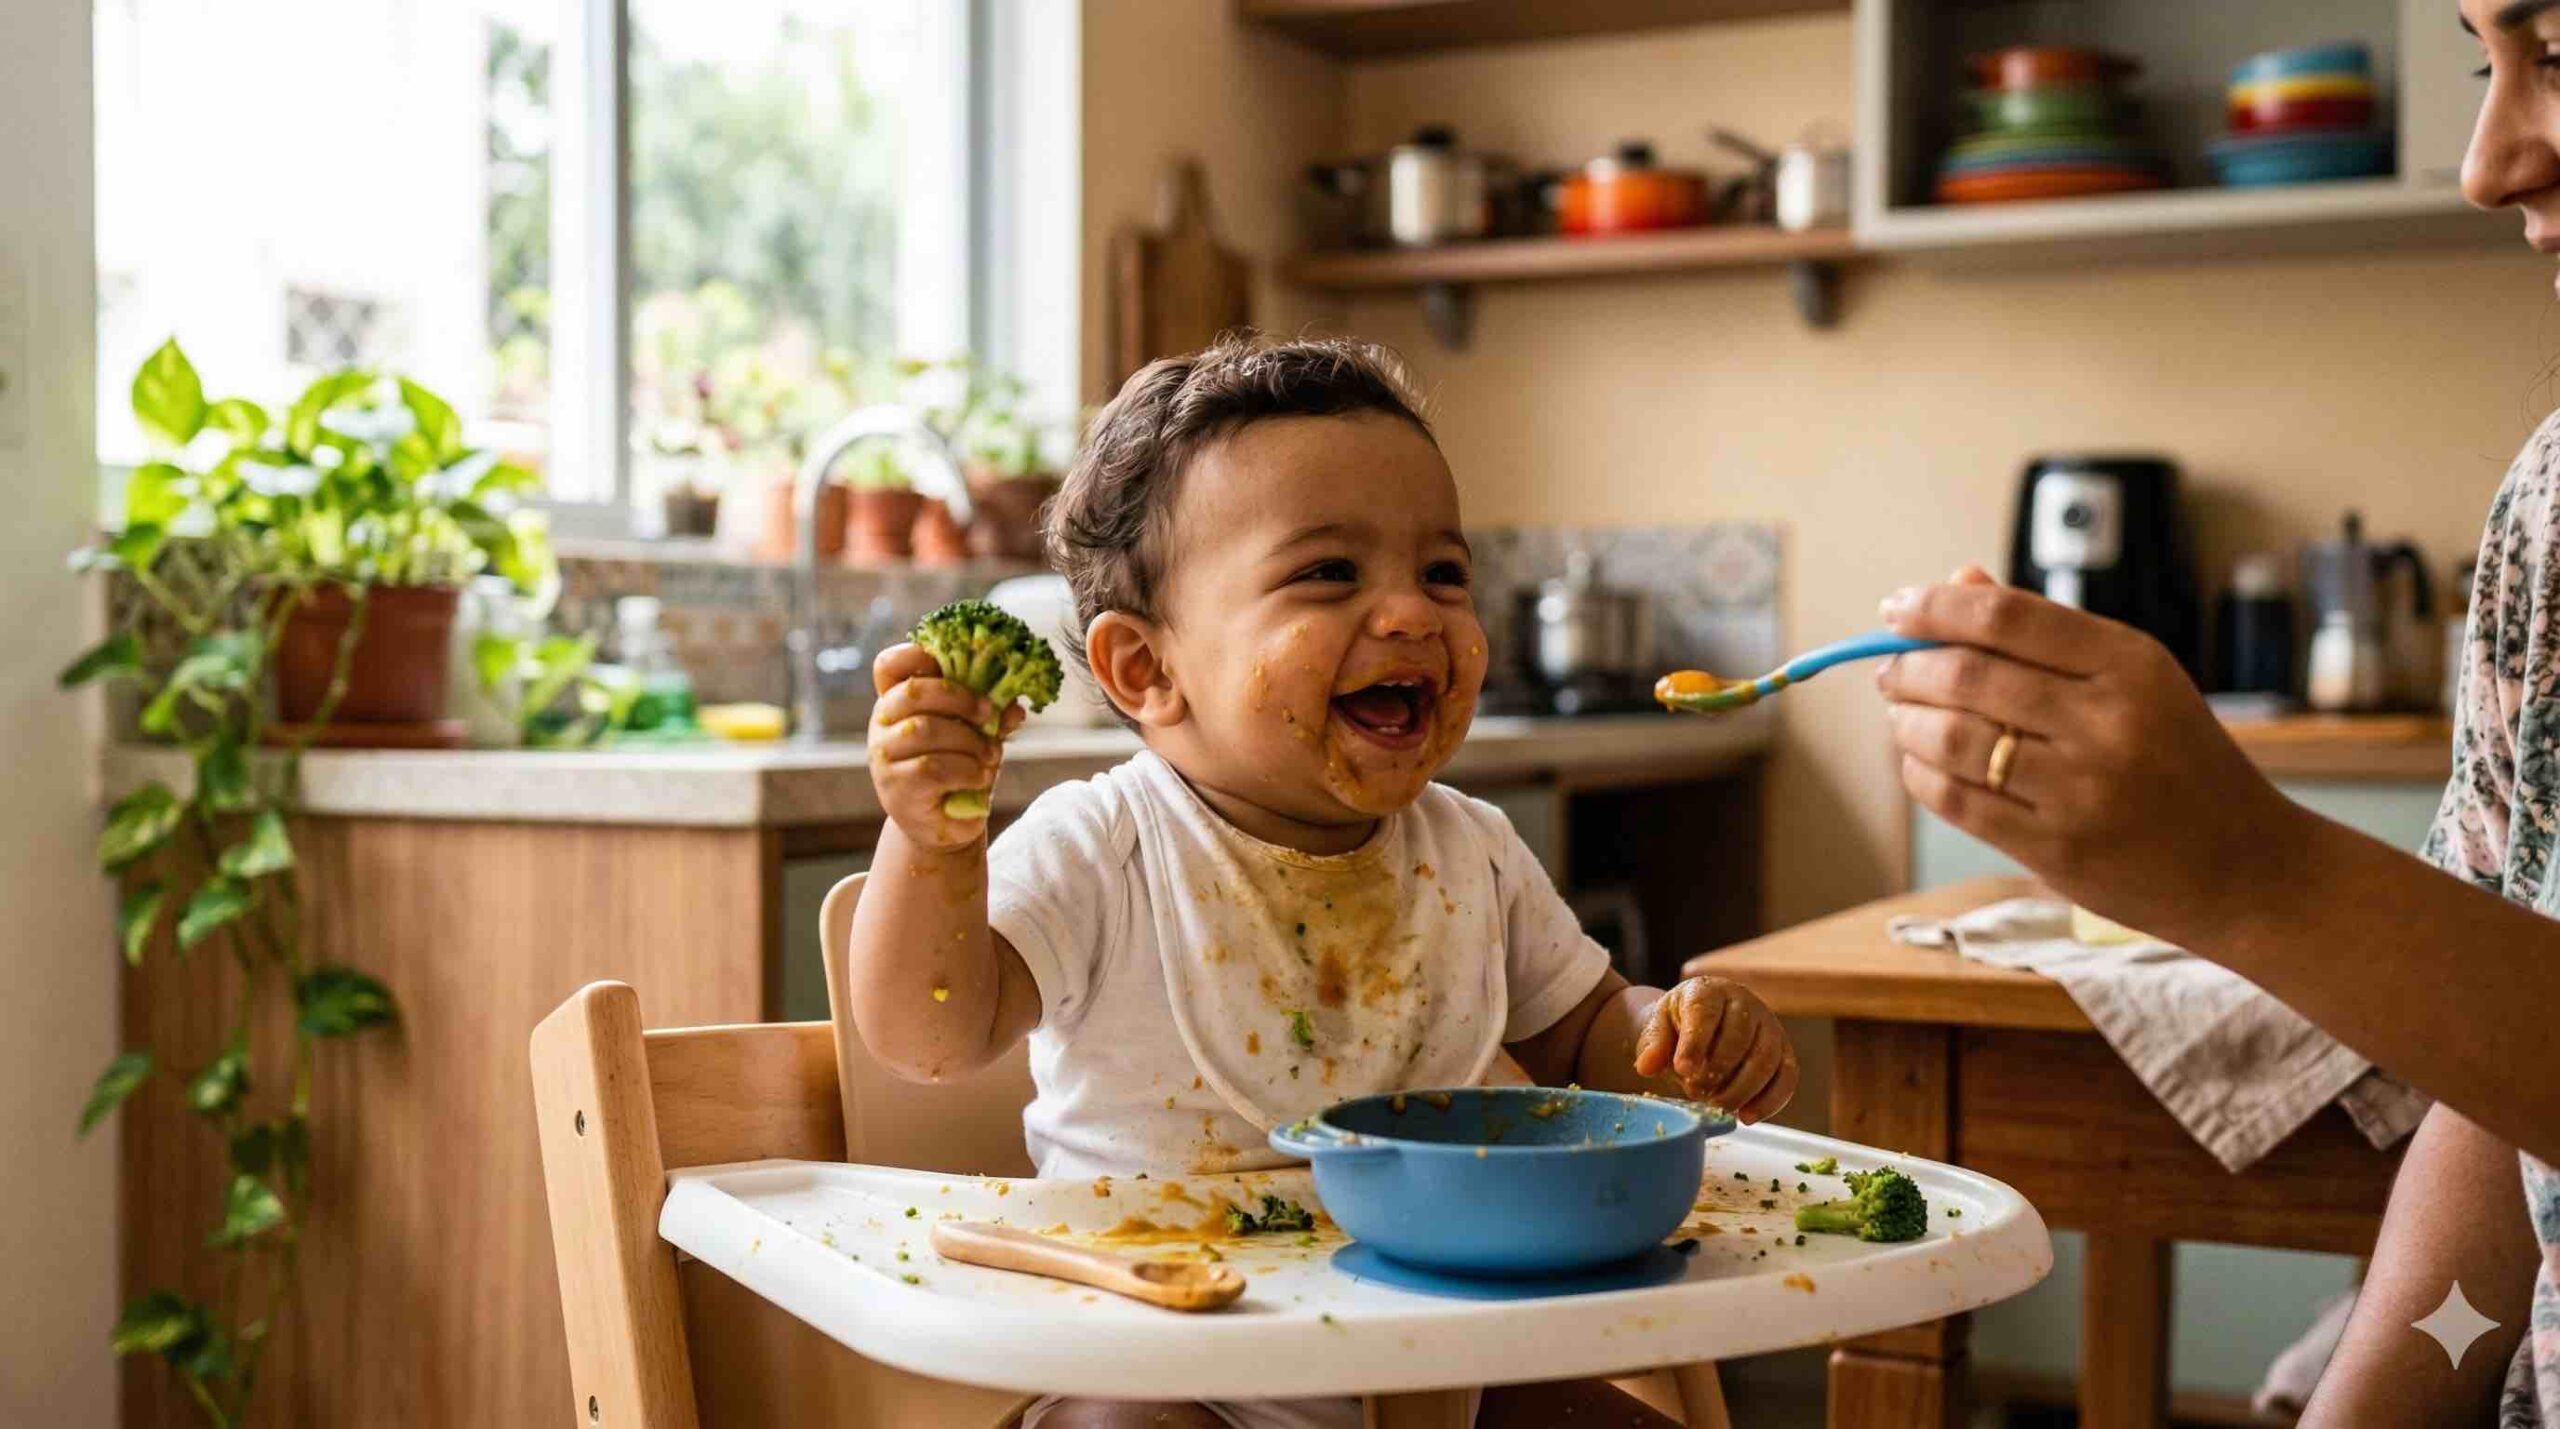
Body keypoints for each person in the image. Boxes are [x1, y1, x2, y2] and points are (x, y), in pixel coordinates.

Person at [843, 335, 1798, 1429]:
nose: (1413, 614)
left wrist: (1675, 1035)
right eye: (1329, 573)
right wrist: (930, 845)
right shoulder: (1103, 845)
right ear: (1146, 670)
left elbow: (1585, 1040)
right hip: (1158, 1354)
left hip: (1441, 1364)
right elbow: (929, 1034)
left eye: (1443, 573)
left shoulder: (1471, 849)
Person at [1873, 7, 2560, 1421]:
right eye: (2483, 64)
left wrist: (2254, 873)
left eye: (2558, 54)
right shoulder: (2550, 501)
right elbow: (2500, 1097)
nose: (2487, 163)